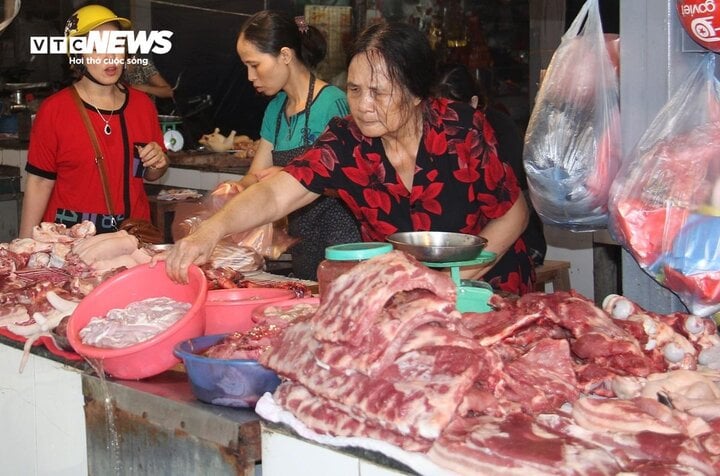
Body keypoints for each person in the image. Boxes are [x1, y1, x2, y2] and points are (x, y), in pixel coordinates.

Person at [163, 21, 534, 296]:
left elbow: (513, 213)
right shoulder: (348, 140)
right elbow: (276, 193)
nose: (364, 106)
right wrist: (210, 231)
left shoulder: (459, 130)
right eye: (355, 90)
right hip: (405, 298)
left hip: (488, 288)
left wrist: (451, 283)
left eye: (379, 92)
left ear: (417, 92)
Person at [19, 4, 169, 237]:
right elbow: (39, 182)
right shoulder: (55, 110)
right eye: (97, 48)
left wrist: (158, 163)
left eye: (117, 45)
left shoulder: (142, 106)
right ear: (78, 55)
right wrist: (25, 243)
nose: (111, 57)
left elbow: (148, 174)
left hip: (131, 243)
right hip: (68, 245)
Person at [231, 10, 360, 280]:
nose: (249, 76)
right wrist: (237, 188)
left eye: (255, 65)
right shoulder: (275, 109)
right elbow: (256, 174)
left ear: (286, 56)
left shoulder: (333, 103)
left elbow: (354, 179)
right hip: (301, 240)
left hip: (342, 239)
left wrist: (289, 175)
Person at [435, 63, 547, 268]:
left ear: (474, 102)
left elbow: (510, 214)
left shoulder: (498, 131)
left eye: (454, 111)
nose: (446, 122)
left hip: (510, 246)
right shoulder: (433, 139)